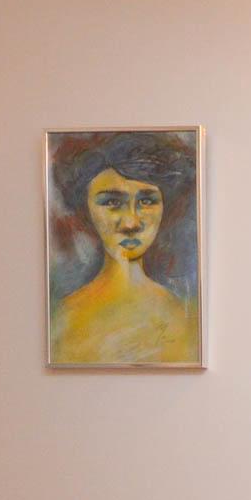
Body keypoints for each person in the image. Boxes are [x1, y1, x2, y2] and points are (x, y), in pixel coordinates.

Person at [49, 132, 200, 365]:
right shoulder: (61, 321)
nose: (131, 223)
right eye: (111, 202)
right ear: (86, 210)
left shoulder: (188, 318)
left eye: (147, 201)